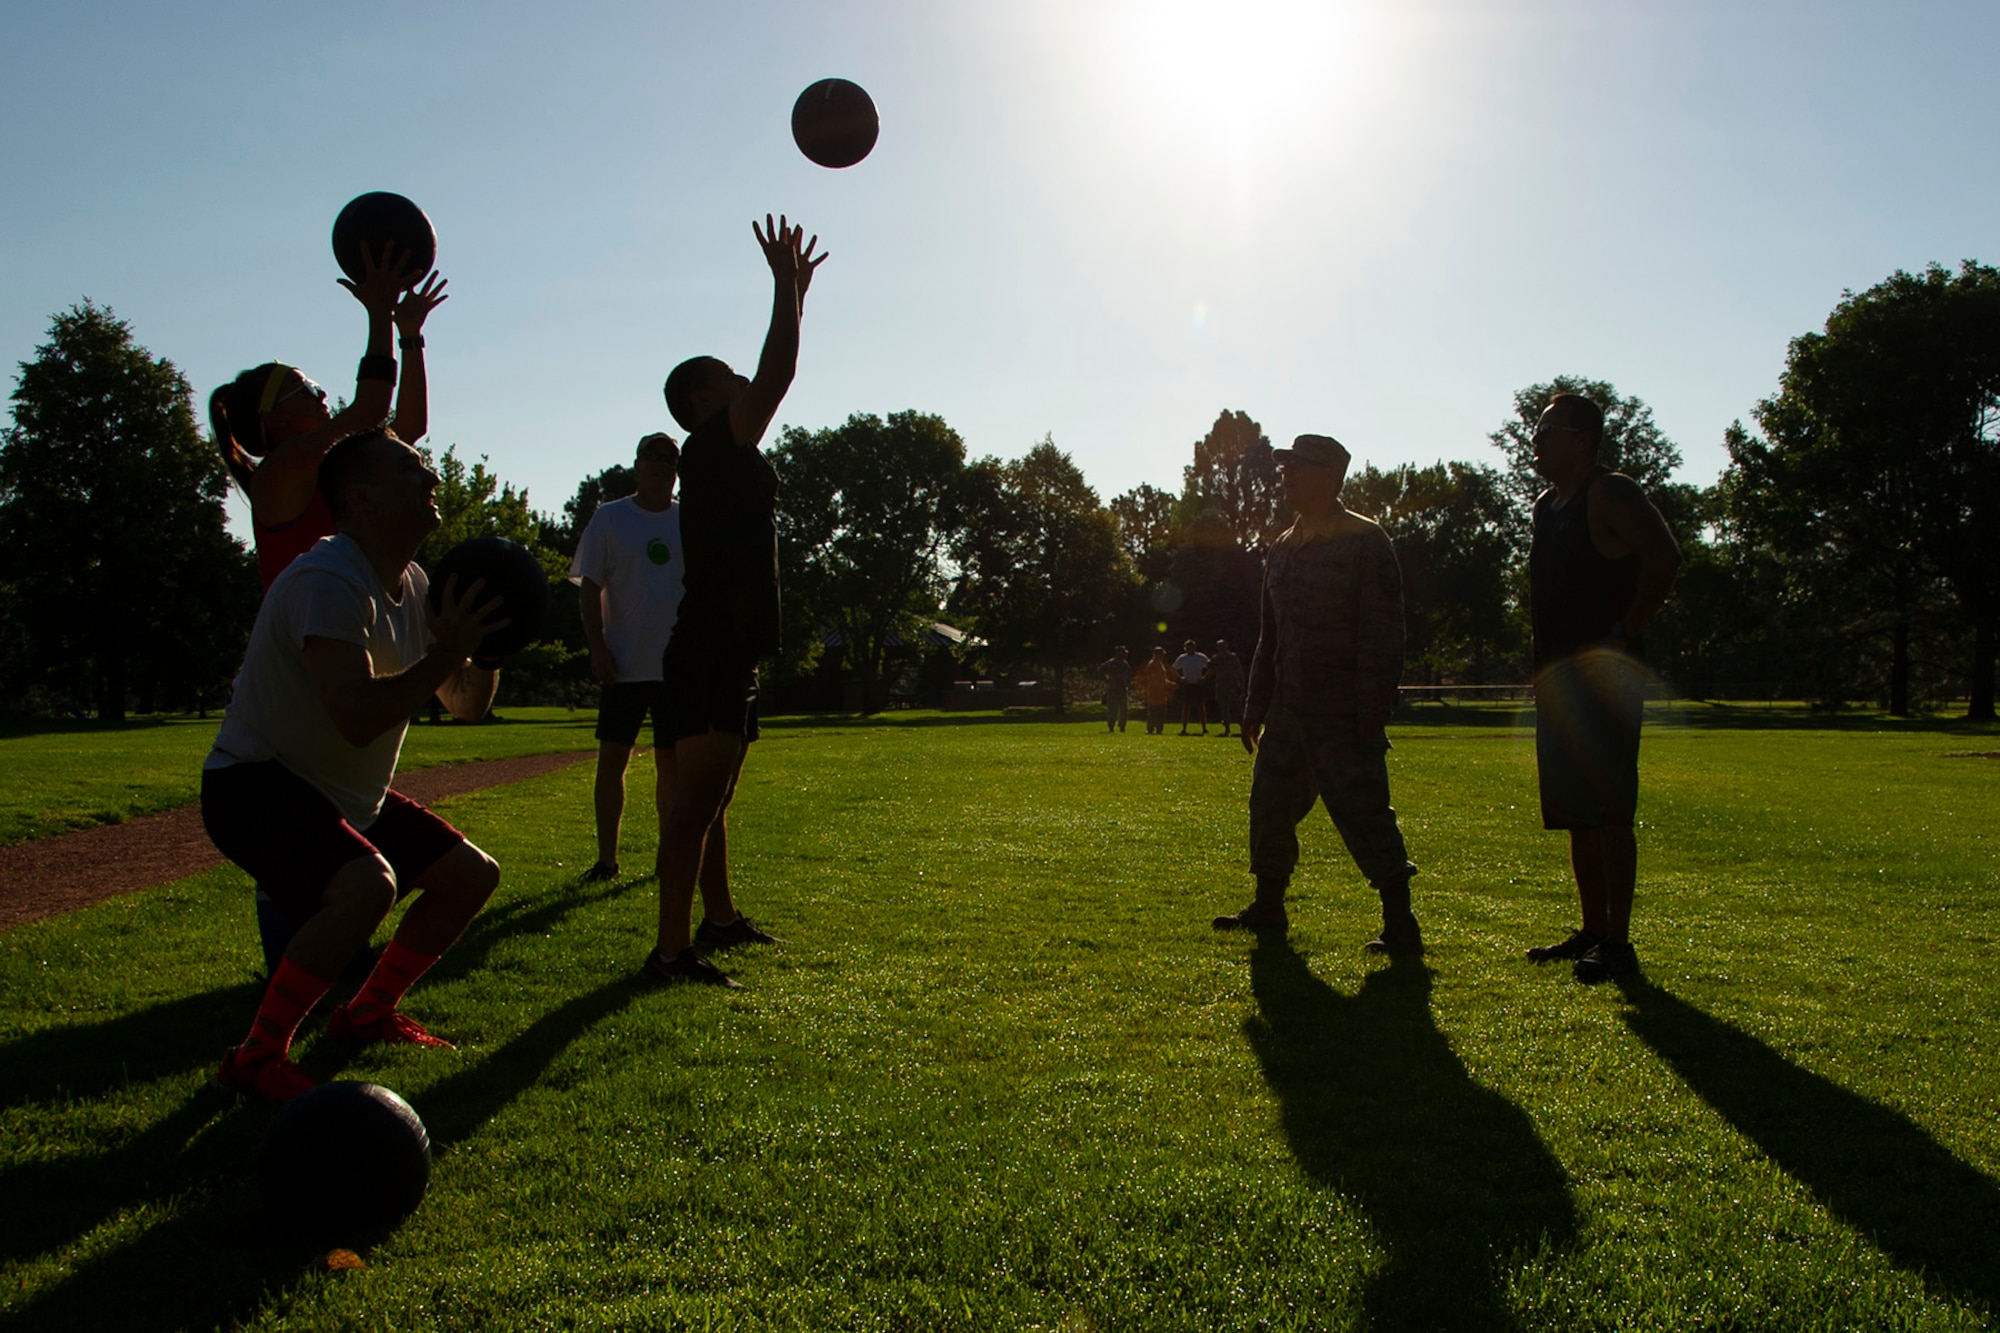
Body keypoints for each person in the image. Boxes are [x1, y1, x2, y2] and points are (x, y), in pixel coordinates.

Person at [202, 430, 507, 1101]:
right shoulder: (327, 580)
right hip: (253, 782)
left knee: (470, 876)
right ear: (360, 498)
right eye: (410, 469)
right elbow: (357, 712)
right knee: (369, 885)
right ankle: (255, 1056)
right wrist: (443, 655)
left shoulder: (417, 584)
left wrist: (484, 651)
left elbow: (463, 705)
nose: (429, 478)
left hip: (342, 793)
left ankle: (365, 1013)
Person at [209, 244, 447, 976]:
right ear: (273, 421)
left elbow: (402, 421)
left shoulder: (332, 468)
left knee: (323, 821)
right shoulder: (283, 474)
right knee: (298, 823)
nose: (320, 393)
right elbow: (373, 407)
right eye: (304, 388)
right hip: (309, 655)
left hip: (344, 639)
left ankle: (314, 969)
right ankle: (292, 982)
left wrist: (409, 338)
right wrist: (377, 314)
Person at [648, 215, 826, 987]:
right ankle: (668, 951)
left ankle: (716, 921)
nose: (742, 382)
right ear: (700, 400)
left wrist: (796, 300)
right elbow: (780, 375)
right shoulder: (711, 442)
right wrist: (783, 289)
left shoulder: (724, 450)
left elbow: (773, 370)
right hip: (712, 645)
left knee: (712, 799)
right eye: (726, 376)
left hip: (725, 644)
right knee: (694, 804)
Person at [1214, 434, 1420, 953]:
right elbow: (1270, 635)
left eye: (1298, 468)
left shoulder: (1366, 542)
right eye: (1285, 468)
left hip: (1343, 708)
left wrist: (1373, 705)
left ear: (1330, 475)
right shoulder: (1283, 545)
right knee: (1269, 807)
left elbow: (1385, 631)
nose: (1286, 477)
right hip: (1287, 709)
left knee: (1364, 811)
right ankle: (1268, 906)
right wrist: (1255, 705)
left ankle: (1400, 923)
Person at [1522, 393, 1681, 983]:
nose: (1535, 439)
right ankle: (1591, 931)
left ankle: (1618, 943)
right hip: (1559, 684)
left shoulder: (1611, 493)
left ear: (1584, 439)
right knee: (1576, 814)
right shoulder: (1546, 506)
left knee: (1612, 810)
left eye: (1548, 429)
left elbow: (1664, 559)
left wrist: (1625, 632)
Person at [571, 433, 686, 881]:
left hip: (676, 666)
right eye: (651, 457)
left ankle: (668, 859)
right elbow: (589, 589)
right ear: (637, 464)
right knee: (612, 761)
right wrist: (597, 647)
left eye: (669, 459)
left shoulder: (687, 519)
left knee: (671, 765)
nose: (660, 466)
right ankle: (606, 861)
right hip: (622, 663)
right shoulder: (611, 519)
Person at [1174, 639, 1212, 735]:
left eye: (1191, 647)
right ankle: (1184, 728)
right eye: (1187, 647)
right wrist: (1180, 678)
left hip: (1198, 684)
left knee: (1200, 707)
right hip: (1188, 684)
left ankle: (1204, 728)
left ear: (1194, 648)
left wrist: (1205, 678)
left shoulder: (1200, 657)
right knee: (1186, 707)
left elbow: (1211, 667)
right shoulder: (1182, 658)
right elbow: (1173, 669)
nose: (1189, 649)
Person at [1210, 638, 1246, 738]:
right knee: (1224, 709)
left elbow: (1239, 672)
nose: (1222, 649)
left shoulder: (1233, 658)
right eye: (1220, 647)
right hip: (1221, 686)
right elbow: (1210, 670)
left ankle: (1243, 728)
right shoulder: (1216, 658)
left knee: (1237, 708)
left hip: (1233, 686)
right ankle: (1227, 728)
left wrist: (1241, 685)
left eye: (1223, 646)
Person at [1137, 646, 1176, 735]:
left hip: (1159, 692)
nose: (1163, 656)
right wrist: (1167, 685)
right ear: (1157, 654)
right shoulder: (1154, 664)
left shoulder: (1158, 663)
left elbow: (1161, 678)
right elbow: (1155, 679)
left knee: (1157, 711)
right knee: (1157, 711)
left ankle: (1156, 728)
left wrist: (1169, 684)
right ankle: (1153, 728)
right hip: (1156, 692)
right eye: (1161, 654)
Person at [1098, 645, 1132, 732]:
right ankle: (1111, 726)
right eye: (1123, 653)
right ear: (1118, 653)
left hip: (1123, 689)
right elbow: (1100, 671)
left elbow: (1128, 675)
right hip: (1113, 689)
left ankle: (1122, 726)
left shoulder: (1125, 664)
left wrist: (1128, 683)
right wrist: (1107, 680)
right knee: (1112, 709)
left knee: (1124, 709)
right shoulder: (1110, 663)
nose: (1125, 655)